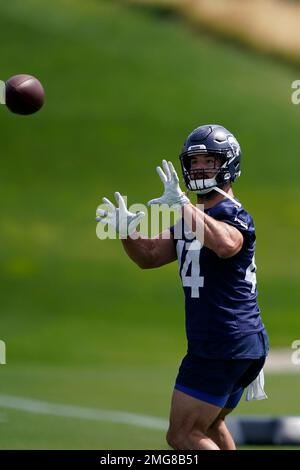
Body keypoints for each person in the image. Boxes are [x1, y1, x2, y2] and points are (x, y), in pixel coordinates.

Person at [96, 124, 269, 450]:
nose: (200, 167)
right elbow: (149, 256)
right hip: (230, 341)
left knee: (183, 434)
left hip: (223, 341)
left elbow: (226, 245)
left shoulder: (232, 214)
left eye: (209, 161)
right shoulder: (195, 215)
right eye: (194, 162)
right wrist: (126, 232)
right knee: (210, 424)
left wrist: (183, 206)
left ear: (228, 165)